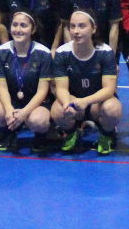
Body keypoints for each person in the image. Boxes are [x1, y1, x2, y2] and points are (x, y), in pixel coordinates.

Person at [51, 10, 122, 155]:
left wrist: (86, 101)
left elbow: (109, 89)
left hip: (98, 102)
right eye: (72, 26)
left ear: (93, 28)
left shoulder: (105, 52)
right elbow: (61, 88)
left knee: (113, 108)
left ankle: (106, 135)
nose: (76, 31)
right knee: (57, 110)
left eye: (82, 26)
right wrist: (66, 103)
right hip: (74, 100)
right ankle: (71, 133)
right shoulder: (62, 53)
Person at [0, 10, 54, 152]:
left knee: (38, 121)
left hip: (37, 102)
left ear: (33, 29)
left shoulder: (43, 53)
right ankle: (8, 133)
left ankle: (40, 138)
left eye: (23, 25)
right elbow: (2, 88)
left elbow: (42, 91)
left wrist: (24, 113)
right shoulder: (0, 52)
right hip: (12, 99)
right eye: (15, 25)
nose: (18, 29)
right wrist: (9, 109)